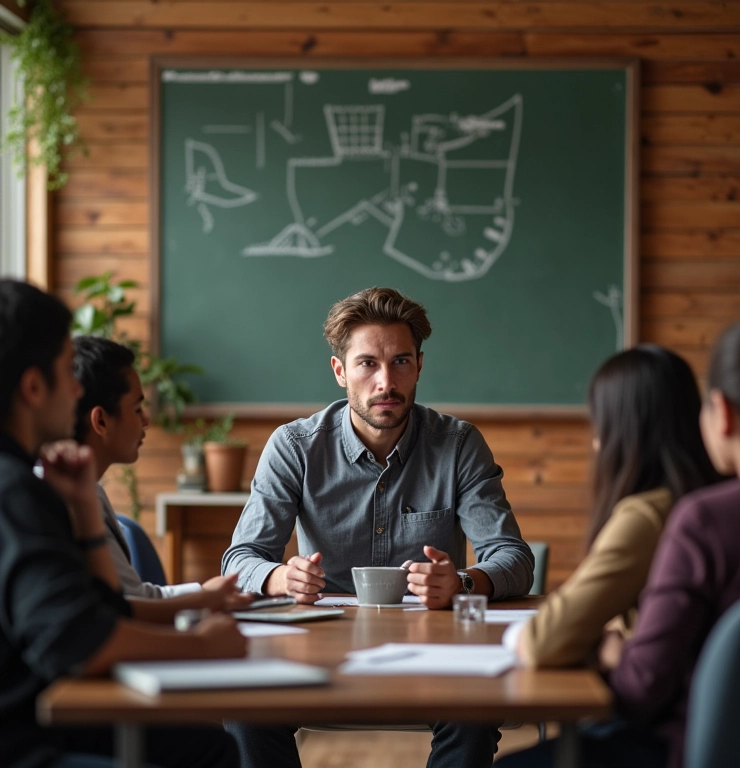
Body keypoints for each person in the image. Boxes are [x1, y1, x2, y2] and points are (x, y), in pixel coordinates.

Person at [222, 286, 534, 768]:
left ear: (420, 366)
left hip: (435, 652)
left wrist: (464, 582)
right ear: (340, 371)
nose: (386, 381)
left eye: (401, 362)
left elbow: (513, 558)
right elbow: (239, 559)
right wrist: (280, 577)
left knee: (474, 712)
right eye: (368, 363)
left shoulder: (458, 445)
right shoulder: (295, 447)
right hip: (319, 647)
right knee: (246, 713)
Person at [497, 318, 740, 768]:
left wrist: (613, 650)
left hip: (687, 746)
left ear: (721, 413)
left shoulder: (702, 521)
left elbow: (639, 692)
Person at [0, 279, 246, 768]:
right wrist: (198, 645)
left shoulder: (33, 485)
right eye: (64, 371)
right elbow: (77, 644)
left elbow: (102, 611)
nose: (75, 389)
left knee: (206, 745)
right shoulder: (13, 492)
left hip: (45, 721)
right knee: (210, 751)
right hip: (28, 744)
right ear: (33, 387)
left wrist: (86, 513)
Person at [502, 345, 720, 668]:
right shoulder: (714, 500)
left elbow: (542, 643)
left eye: (601, 425)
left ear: (625, 431)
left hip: (655, 710)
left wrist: (611, 650)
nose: (595, 442)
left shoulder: (646, 517)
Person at [73, 334, 253, 612]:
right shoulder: (73, 498)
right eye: (137, 409)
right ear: (100, 421)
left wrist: (204, 593)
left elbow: (127, 600)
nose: (146, 419)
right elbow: (126, 607)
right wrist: (204, 598)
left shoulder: (88, 490)